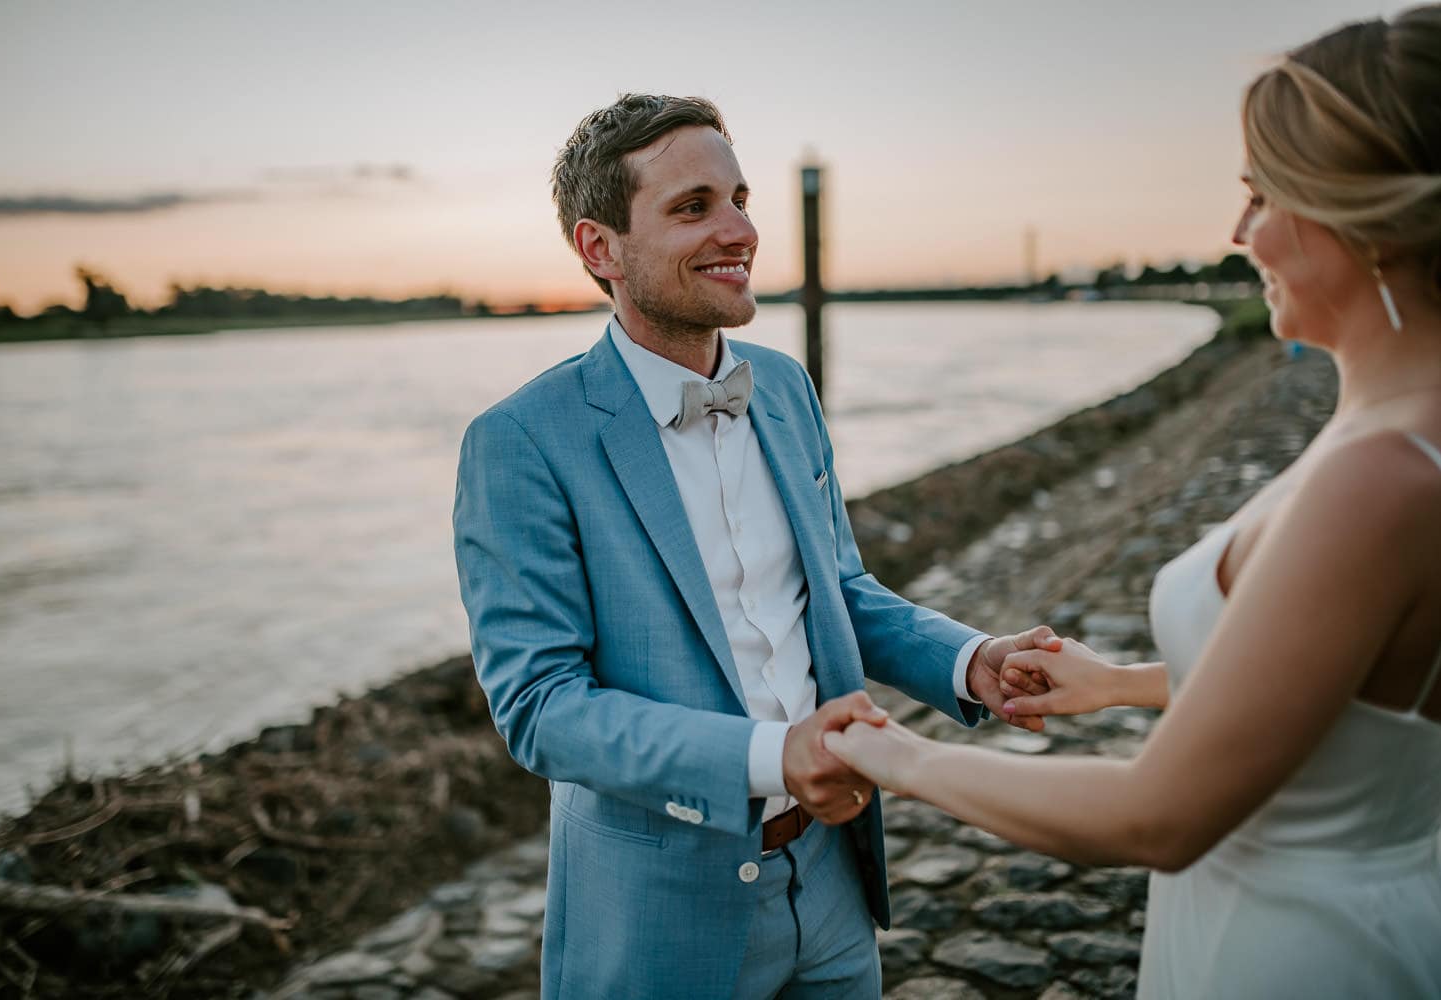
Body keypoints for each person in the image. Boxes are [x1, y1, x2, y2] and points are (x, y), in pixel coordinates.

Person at [825, 7, 1441, 998]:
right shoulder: (1401, 440)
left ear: (1362, 212)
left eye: (1261, 195)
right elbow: (1352, 687)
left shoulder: (1382, 476)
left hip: (1299, 947)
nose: (1239, 234)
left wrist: (894, 756)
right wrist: (1120, 683)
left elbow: (1156, 813)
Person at [452, 94, 1058, 998]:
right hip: (659, 921)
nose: (740, 229)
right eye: (693, 207)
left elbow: (838, 591)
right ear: (599, 248)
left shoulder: (781, 386)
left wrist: (970, 661)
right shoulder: (521, 440)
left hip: (833, 886)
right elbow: (541, 707)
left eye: (739, 198)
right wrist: (773, 759)